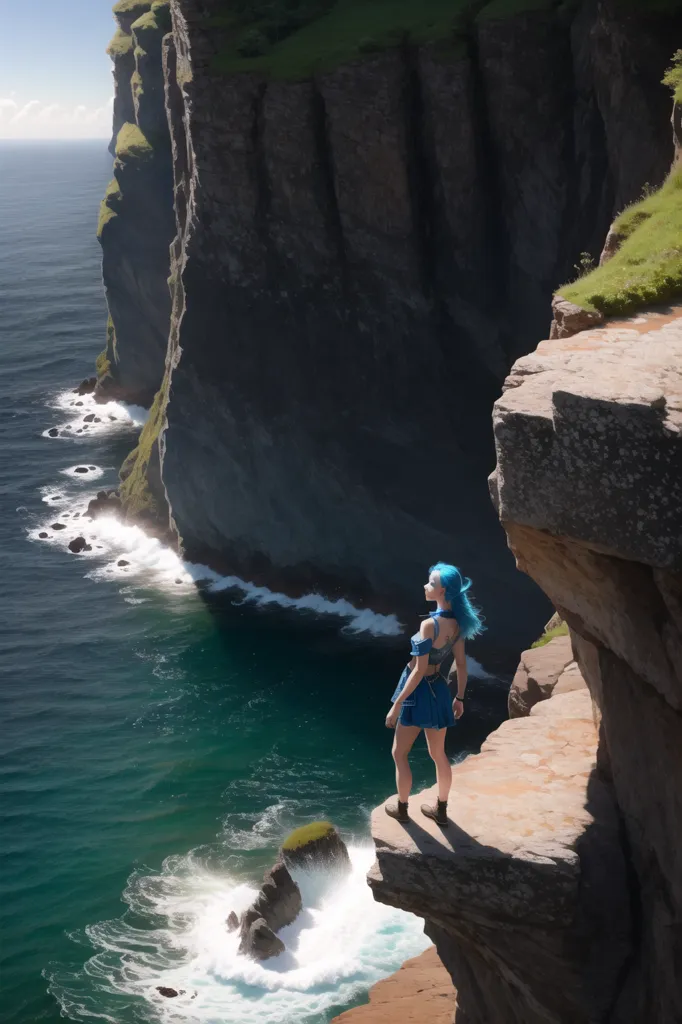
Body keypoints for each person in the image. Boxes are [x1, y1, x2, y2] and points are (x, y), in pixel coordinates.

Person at [385, 563, 484, 826]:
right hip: (440, 689)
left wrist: (396, 705)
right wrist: (459, 697)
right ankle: (441, 811)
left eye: (430, 583)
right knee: (438, 754)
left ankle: (402, 809)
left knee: (399, 753)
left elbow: (417, 672)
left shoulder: (429, 624)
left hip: (417, 692)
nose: (425, 586)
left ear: (443, 591)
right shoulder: (459, 625)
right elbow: (461, 664)